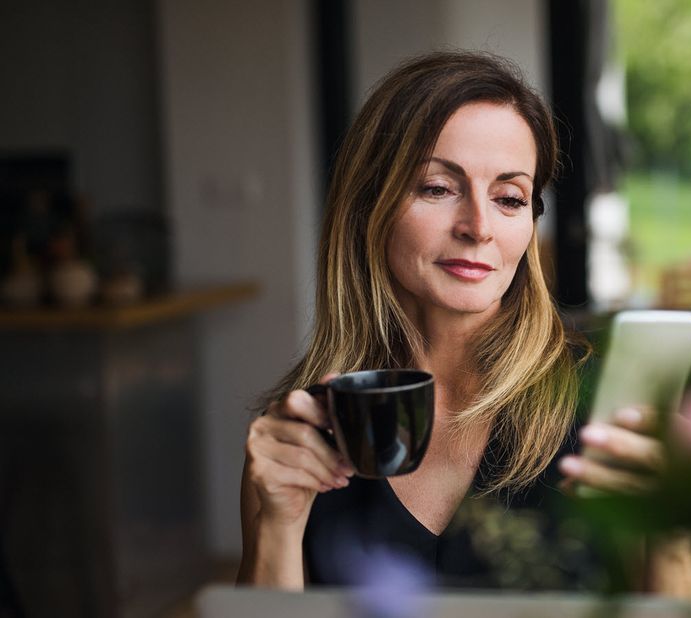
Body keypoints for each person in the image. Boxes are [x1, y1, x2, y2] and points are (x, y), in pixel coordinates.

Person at [235, 51, 669, 590]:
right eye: (438, 188)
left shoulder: (606, 410)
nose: (479, 227)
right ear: (370, 202)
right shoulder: (304, 432)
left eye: (509, 198)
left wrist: (679, 529)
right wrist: (276, 522)